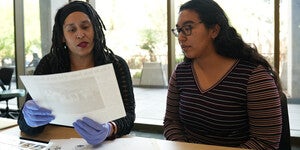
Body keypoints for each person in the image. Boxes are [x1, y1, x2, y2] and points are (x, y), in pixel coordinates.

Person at [163, 0, 283, 149]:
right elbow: (171, 122)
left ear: (214, 30)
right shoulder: (181, 73)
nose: (181, 38)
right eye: (179, 30)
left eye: (188, 28)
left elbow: (265, 142)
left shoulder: (254, 77)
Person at [18, 1, 135, 146]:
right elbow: (24, 125)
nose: (80, 34)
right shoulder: (49, 64)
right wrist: (28, 119)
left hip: (104, 144)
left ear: (95, 29)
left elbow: (129, 117)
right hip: (57, 141)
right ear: (62, 36)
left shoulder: (116, 65)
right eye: (72, 30)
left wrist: (109, 128)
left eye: (86, 27)